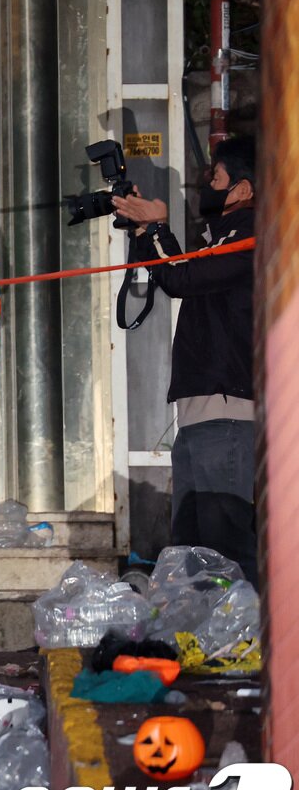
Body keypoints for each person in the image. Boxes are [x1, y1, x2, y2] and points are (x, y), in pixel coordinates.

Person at [113, 135, 258, 584]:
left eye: (215, 177)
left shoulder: (254, 231)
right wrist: (145, 230)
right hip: (200, 411)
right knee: (191, 544)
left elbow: (182, 278)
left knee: (224, 543)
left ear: (243, 189)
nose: (205, 184)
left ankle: (242, 641)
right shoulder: (221, 235)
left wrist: (157, 228)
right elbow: (177, 272)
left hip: (230, 409)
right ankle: (202, 638)